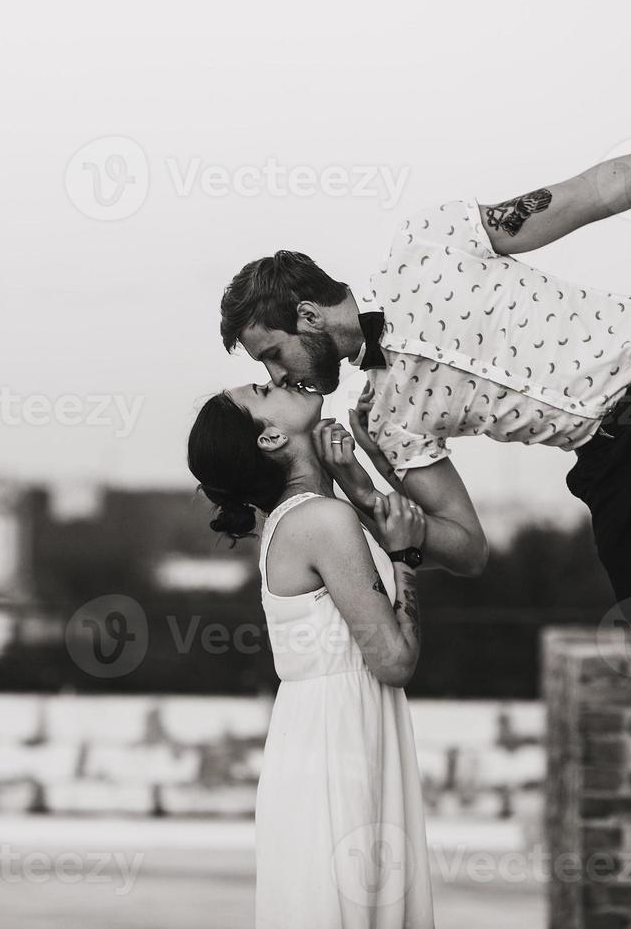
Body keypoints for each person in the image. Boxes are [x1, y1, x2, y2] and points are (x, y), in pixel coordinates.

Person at [216, 90, 631, 929]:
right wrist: (379, 508)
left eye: (275, 357)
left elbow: (590, 194)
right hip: (607, 455)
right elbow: (466, 546)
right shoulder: (380, 421)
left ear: (305, 315)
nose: (288, 380)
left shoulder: (430, 242)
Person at [188, 380, 435, 929]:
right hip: (338, 742)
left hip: (327, 731)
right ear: (271, 436)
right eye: (261, 388)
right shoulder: (322, 521)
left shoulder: (309, 515)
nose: (277, 380)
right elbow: (395, 660)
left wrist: (354, 474)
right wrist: (406, 557)